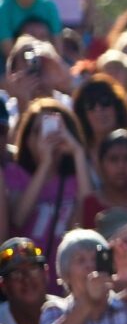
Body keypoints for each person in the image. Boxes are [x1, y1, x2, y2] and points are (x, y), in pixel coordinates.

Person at [9, 98, 92, 272]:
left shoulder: (77, 178)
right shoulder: (14, 173)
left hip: (64, 279)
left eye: (55, 130)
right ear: (27, 140)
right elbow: (18, 218)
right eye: (38, 131)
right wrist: (45, 164)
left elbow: (88, 216)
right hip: (26, 278)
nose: (46, 138)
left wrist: (77, 152)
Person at [0, 237, 48, 324]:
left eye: (32, 269)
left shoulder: (67, 312)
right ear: (3, 285)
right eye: (16, 273)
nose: (26, 278)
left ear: (46, 273)